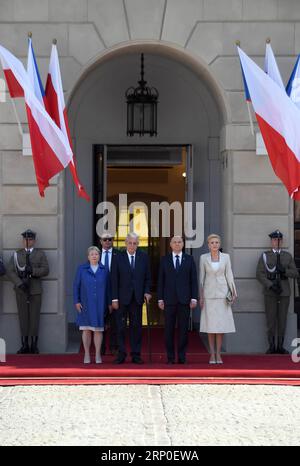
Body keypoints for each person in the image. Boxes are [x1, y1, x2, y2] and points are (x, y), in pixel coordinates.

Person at [6, 229, 49, 354]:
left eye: (30, 239)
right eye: (25, 239)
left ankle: (34, 345)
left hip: (35, 289)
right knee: (23, 317)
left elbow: (46, 270)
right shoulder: (17, 254)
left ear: (34, 241)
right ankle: (24, 344)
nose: (27, 241)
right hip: (22, 290)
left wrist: (33, 271)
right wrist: (19, 283)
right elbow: (10, 271)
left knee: (34, 318)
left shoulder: (40, 254)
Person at [111, 232, 151, 364]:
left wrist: (147, 292)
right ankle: (121, 353)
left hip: (137, 298)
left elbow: (147, 277)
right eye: (130, 243)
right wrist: (114, 298)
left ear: (138, 244)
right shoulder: (118, 257)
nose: (132, 245)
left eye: (135, 243)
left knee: (136, 328)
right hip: (122, 299)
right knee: (120, 327)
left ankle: (136, 354)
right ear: (125, 243)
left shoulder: (144, 257)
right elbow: (114, 279)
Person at [256, 230, 299, 354]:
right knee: (270, 319)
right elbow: (259, 274)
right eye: (275, 240)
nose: (277, 242)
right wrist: (270, 285)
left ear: (282, 241)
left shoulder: (287, 256)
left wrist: (284, 271)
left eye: (279, 240)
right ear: (271, 241)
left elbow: (295, 273)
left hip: (284, 292)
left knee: (282, 320)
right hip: (270, 292)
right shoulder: (265, 255)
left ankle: (280, 346)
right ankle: (271, 346)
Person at [157, 236, 198, 364]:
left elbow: (193, 280)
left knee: (183, 330)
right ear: (170, 244)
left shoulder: (189, 259)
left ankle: (182, 356)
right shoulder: (165, 260)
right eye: (174, 242)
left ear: (183, 244)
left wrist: (194, 298)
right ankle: (170, 357)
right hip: (169, 300)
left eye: (179, 242)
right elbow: (161, 281)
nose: (177, 244)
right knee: (168, 330)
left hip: (185, 300)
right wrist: (160, 299)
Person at [199, 234, 237, 364]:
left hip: (222, 295)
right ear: (208, 245)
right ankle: (212, 354)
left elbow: (229, 275)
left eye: (216, 242)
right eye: (212, 243)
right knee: (210, 326)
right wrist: (201, 296)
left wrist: (233, 292)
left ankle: (219, 354)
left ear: (219, 244)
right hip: (209, 295)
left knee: (220, 327)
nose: (214, 245)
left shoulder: (226, 257)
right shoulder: (203, 258)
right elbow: (201, 279)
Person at [73, 246, 111, 364]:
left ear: (99, 256)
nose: (94, 256)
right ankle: (87, 354)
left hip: (100, 304)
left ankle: (98, 354)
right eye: (92, 254)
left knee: (98, 330)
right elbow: (76, 286)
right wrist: (77, 301)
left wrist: (109, 303)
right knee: (86, 330)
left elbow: (109, 288)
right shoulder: (81, 269)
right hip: (85, 304)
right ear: (88, 257)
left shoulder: (104, 269)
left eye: (96, 254)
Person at [99, 233, 119, 356]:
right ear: (101, 241)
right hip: (100, 293)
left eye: (109, 239)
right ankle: (100, 347)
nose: (107, 241)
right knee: (100, 322)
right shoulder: (95, 253)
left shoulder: (119, 255)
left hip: (115, 292)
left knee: (115, 322)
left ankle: (114, 347)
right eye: (104, 239)